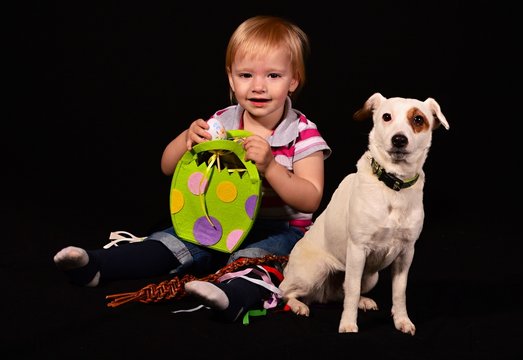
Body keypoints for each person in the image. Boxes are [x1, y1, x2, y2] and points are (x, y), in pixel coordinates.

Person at [53, 15, 331, 323]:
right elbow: (167, 166)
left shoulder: (302, 132)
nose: (258, 86)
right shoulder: (222, 123)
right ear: (231, 78)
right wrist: (187, 139)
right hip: (220, 220)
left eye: (274, 76)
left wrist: (270, 167)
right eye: (246, 74)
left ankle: (234, 298)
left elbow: (311, 199)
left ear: (294, 80)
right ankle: (98, 265)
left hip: (281, 231)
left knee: (255, 261)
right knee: (171, 241)